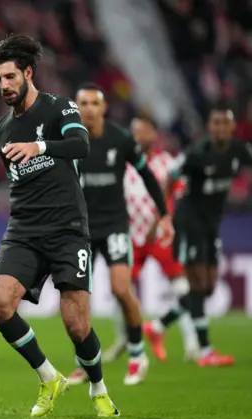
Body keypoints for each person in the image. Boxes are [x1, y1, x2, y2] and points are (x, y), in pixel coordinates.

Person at [0, 34, 119, 418]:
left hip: (67, 228)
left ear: (28, 72)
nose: (4, 86)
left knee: (77, 325)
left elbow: (81, 146)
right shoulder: (1, 130)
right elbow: (18, 177)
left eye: (10, 77)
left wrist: (40, 147)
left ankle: (98, 387)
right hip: (24, 229)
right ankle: (49, 377)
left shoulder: (61, 108)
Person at [67, 85, 174, 387]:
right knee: (78, 300)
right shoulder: (67, 139)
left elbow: (148, 176)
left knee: (121, 289)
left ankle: (138, 355)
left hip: (114, 225)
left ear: (103, 108)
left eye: (93, 103)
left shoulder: (120, 139)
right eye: (82, 103)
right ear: (76, 108)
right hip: (80, 230)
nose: (88, 108)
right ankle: (84, 363)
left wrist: (164, 214)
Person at [143, 102, 252, 367]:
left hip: (212, 224)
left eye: (225, 123)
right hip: (189, 222)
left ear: (232, 126)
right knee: (196, 284)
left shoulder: (240, 150)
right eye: (215, 124)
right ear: (209, 127)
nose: (220, 128)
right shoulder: (196, 153)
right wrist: (164, 216)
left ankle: (158, 325)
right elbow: (169, 178)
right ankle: (205, 352)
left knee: (208, 287)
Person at [102, 115, 199, 363]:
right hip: (131, 235)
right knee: (121, 289)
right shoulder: (120, 163)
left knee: (181, 286)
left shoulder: (168, 164)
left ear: (154, 135)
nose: (137, 136)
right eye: (133, 131)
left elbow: (181, 197)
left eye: (143, 131)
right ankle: (124, 339)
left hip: (160, 236)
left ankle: (192, 343)